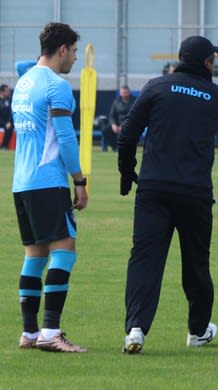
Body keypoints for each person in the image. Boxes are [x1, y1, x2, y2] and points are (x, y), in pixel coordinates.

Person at [118, 35, 218, 354]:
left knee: (145, 259)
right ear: (207, 62)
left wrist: (127, 171)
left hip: (154, 188)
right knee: (196, 263)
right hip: (195, 193)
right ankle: (197, 331)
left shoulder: (157, 86)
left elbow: (128, 132)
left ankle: (136, 330)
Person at [11, 22, 88, 352]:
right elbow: (67, 139)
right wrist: (80, 179)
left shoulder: (23, 83)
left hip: (22, 183)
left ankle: (29, 333)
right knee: (64, 252)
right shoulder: (57, 87)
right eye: (73, 52)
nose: (74, 59)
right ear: (62, 50)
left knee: (35, 254)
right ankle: (50, 333)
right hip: (48, 181)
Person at [106, 85, 136, 151]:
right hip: (117, 124)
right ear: (120, 93)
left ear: (129, 92)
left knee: (125, 131)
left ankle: (121, 148)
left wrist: (123, 125)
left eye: (126, 92)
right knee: (106, 129)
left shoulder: (135, 101)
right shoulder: (116, 101)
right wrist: (113, 125)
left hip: (130, 124)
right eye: (123, 93)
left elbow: (134, 116)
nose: (124, 94)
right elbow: (111, 115)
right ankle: (112, 147)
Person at [0, 84, 13, 149]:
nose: (9, 92)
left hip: (7, 122)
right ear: (2, 92)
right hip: (1, 121)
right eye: (7, 91)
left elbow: (11, 112)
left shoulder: (9, 100)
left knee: (9, 127)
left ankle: (4, 146)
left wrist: (9, 121)